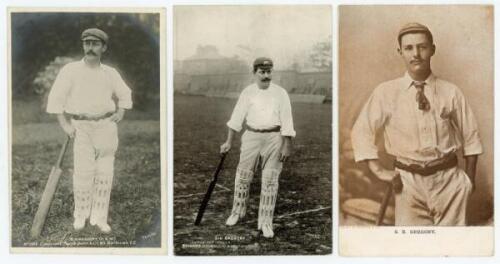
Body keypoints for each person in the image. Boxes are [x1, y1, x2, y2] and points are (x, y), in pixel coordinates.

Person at [351, 23, 483, 226]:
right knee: (413, 247)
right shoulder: (386, 92)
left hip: (449, 181)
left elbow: (471, 137)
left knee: (452, 247)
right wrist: (379, 171)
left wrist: (469, 182)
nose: (416, 54)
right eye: (409, 48)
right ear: (400, 52)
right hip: (407, 184)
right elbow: (362, 131)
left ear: (432, 50)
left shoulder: (451, 92)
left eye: (422, 47)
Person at [46, 28, 132, 233]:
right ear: (83, 45)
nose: (90, 47)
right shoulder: (70, 70)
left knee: (105, 172)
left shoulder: (110, 73)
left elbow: (125, 93)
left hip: (106, 127)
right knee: (83, 173)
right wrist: (65, 125)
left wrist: (121, 111)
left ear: (104, 47)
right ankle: (81, 215)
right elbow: (56, 98)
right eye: (87, 43)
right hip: (81, 128)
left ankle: (99, 217)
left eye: (95, 44)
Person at [220, 57, 295, 238]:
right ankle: (237, 212)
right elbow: (236, 118)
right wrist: (228, 142)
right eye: (262, 72)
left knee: (270, 180)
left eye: (269, 72)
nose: (266, 76)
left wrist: (287, 145)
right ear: (254, 73)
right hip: (251, 136)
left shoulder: (280, 93)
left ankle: (266, 222)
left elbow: (287, 120)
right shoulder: (247, 92)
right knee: (243, 176)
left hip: (274, 137)